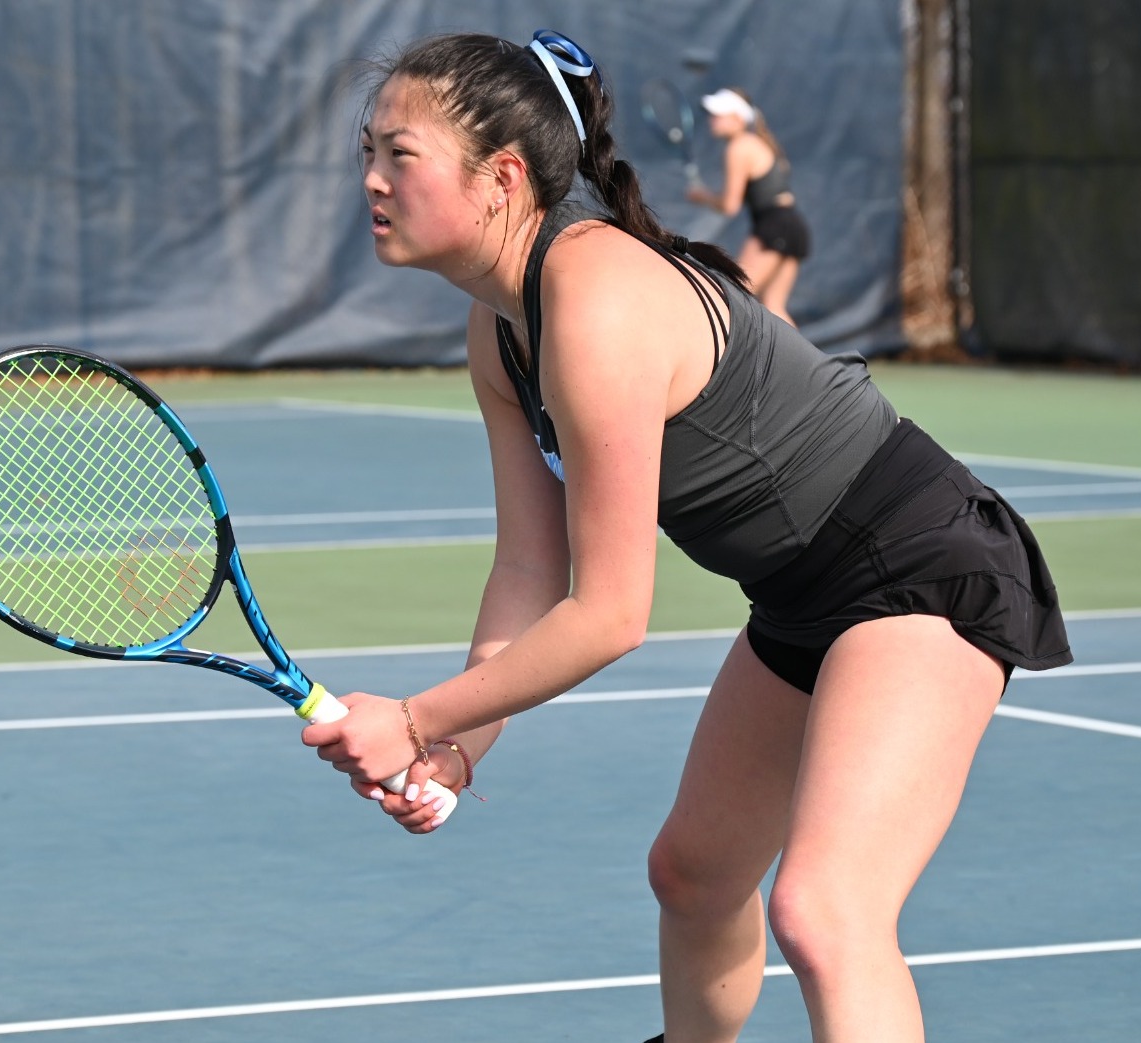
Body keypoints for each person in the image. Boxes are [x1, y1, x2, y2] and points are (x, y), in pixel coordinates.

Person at [303, 28, 1071, 1043]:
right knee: (695, 873)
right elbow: (532, 569)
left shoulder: (597, 298)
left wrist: (413, 715)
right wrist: (455, 747)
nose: (372, 179)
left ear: (500, 176)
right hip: (805, 594)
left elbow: (612, 613)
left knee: (827, 910)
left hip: (920, 566)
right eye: (368, 152)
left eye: (398, 154)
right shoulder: (502, 326)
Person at [684, 87, 810, 326]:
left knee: (735, 295)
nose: (713, 119)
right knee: (773, 305)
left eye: (719, 114)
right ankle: (802, 364)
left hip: (775, 227)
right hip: (793, 226)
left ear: (738, 119)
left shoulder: (738, 147)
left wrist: (702, 197)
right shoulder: (754, 143)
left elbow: (730, 205)